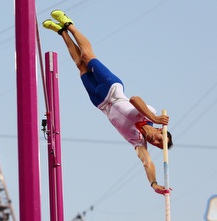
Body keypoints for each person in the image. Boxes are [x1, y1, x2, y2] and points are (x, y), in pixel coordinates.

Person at [43, 10, 173, 195]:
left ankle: (61, 31)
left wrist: (154, 184)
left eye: (158, 145)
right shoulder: (149, 114)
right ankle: (69, 24)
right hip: (111, 87)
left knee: (79, 65)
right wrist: (154, 117)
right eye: (160, 139)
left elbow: (147, 163)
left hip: (99, 101)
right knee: (87, 56)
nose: (155, 141)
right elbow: (135, 99)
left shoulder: (137, 141)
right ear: (160, 131)